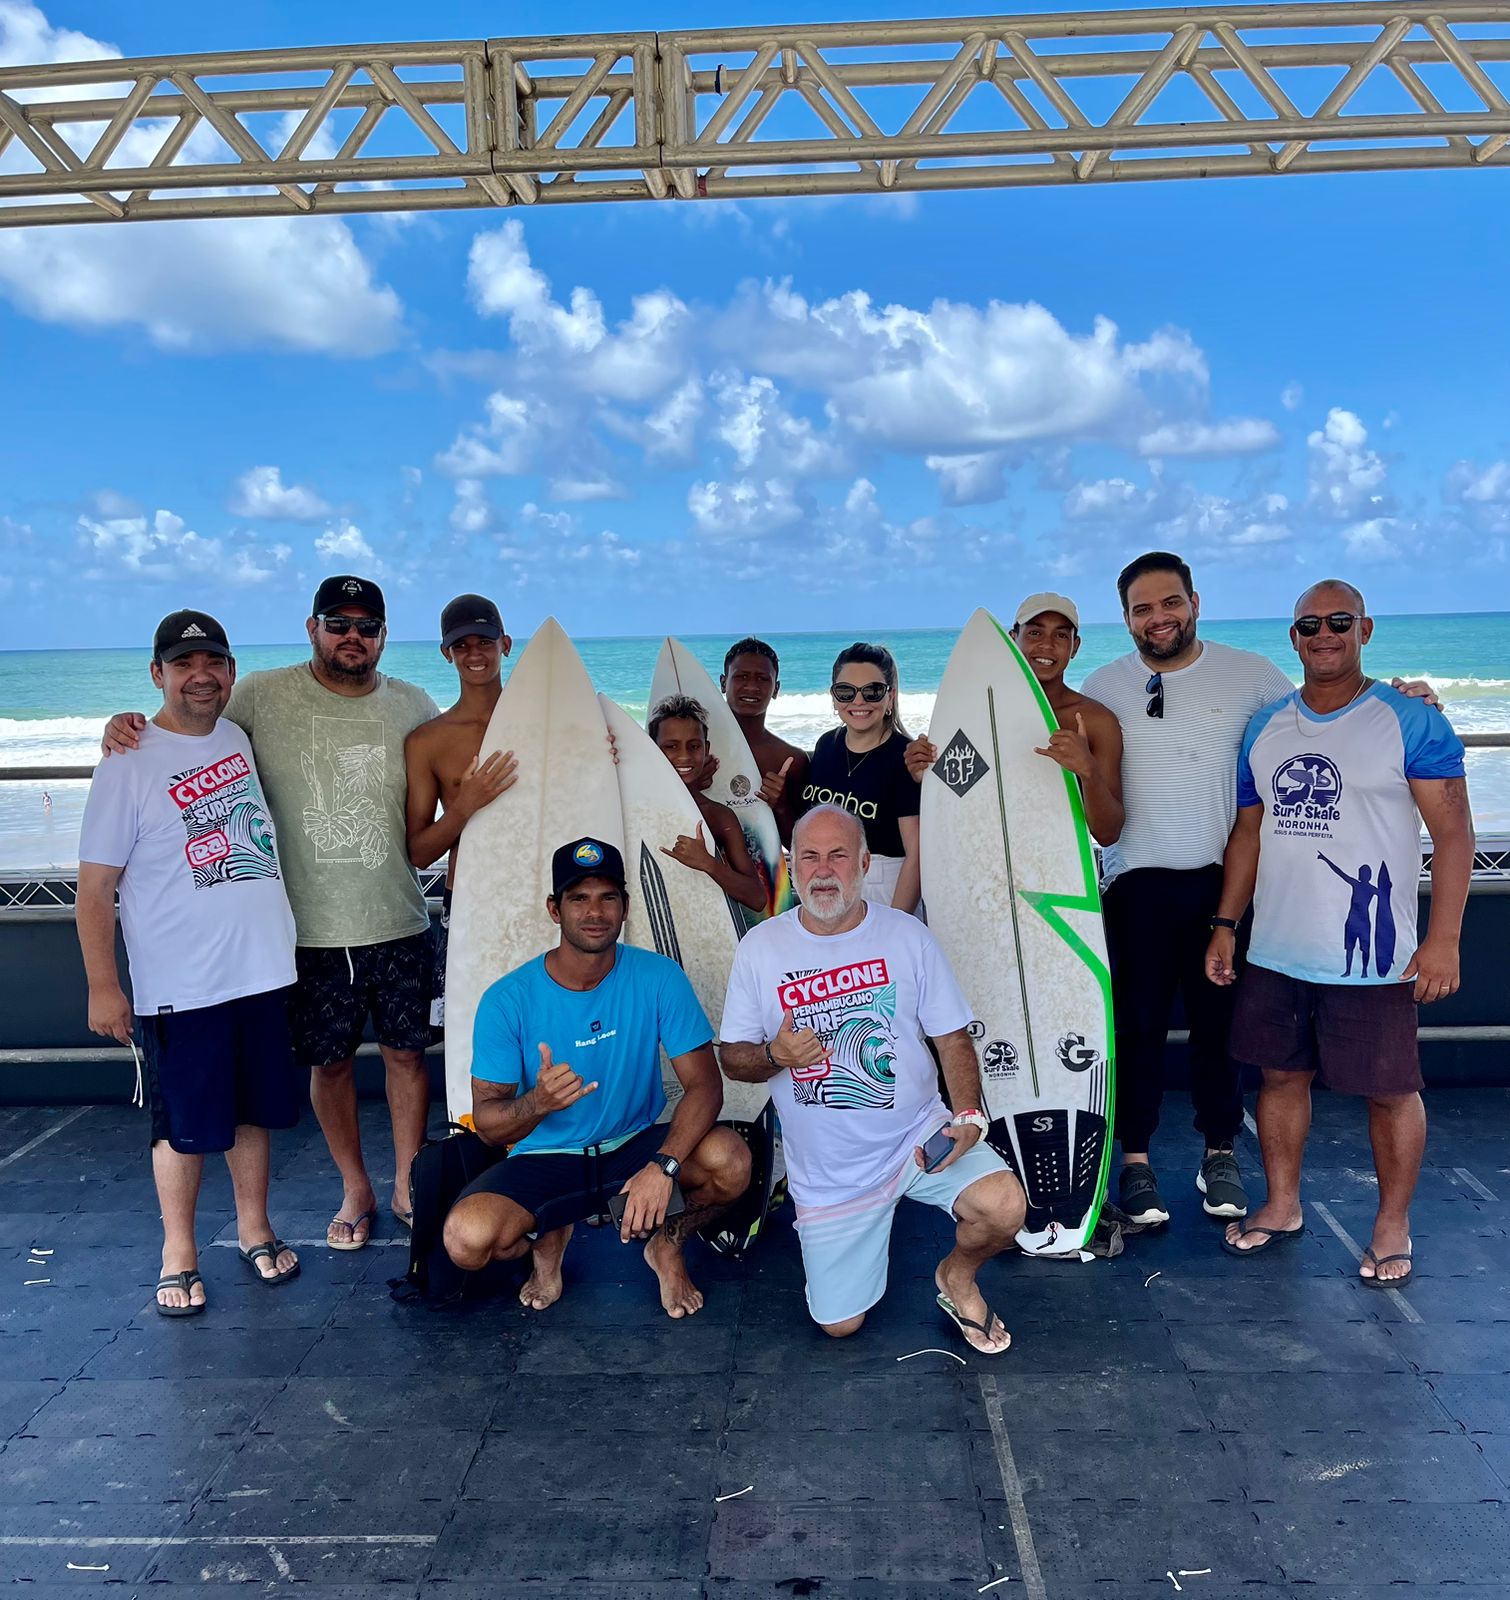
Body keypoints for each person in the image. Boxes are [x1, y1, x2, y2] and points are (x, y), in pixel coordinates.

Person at [1083, 552, 1437, 1231]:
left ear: (1194, 602)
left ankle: (1221, 1151)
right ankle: (1135, 1161)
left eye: (1170, 602)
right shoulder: (1104, 685)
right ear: (1126, 618)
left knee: (1224, 1036)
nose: (1159, 618)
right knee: (1135, 1032)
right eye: (1142, 608)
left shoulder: (1248, 673)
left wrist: (1405, 701)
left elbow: (1323, 708)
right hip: (1135, 887)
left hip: (1229, 887)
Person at [102, 576, 441, 1249]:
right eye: (336, 622)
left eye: (366, 626)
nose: (352, 636)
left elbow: (457, 766)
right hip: (305, 935)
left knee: (407, 1058)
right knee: (332, 1066)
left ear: (383, 635)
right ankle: (356, 1189)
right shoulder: (258, 692)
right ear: (312, 628)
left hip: (399, 918)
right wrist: (120, 726)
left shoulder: (414, 703)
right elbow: (188, 731)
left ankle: (408, 1182)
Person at [1206, 581, 1472, 1283]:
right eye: (1309, 624)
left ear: (1365, 629)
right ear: (1292, 637)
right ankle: (1282, 1204)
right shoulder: (1266, 726)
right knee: (1279, 1077)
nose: (1324, 633)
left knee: (1389, 1090)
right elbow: (1248, 834)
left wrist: (1443, 939)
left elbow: (1453, 835)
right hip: (1277, 951)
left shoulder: (1410, 721)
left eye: (1339, 621)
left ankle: (1392, 1224)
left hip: (1376, 956)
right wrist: (1226, 926)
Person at [718, 805, 1025, 1352]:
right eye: (809, 856)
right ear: (793, 864)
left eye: (839, 855)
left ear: (864, 862)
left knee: (1003, 1206)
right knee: (840, 1326)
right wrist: (775, 1053)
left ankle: (956, 1279)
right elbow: (733, 1058)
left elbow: (953, 1038)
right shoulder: (760, 949)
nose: (824, 869)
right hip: (832, 1174)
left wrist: (970, 1115)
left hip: (917, 1137)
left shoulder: (908, 937)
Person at [77, 611, 301, 1316]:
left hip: (262, 970)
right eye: (183, 664)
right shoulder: (126, 761)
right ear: (157, 675)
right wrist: (104, 986)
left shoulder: (235, 735)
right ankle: (179, 1253)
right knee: (181, 1122)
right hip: (182, 984)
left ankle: (254, 1227)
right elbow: (94, 888)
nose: (201, 676)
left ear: (231, 672)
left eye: (213, 662)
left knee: (252, 1112)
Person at [442, 837, 752, 1317]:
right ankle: (550, 1237)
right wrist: (538, 1103)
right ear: (554, 909)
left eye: (608, 897)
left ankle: (666, 1245)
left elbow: (706, 1086)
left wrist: (663, 1167)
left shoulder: (658, 977)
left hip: (633, 1146)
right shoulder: (507, 999)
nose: (595, 911)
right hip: (547, 1157)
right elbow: (488, 1124)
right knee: (466, 1240)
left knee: (731, 1161)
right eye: (578, 898)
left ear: (626, 908)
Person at [905, 592, 1125, 846]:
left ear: (1075, 646)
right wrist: (923, 770)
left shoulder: (1095, 721)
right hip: (988, 856)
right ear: (1012, 639)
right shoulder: (979, 710)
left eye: (1061, 635)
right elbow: (959, 795)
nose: (1047, 645)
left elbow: (1108, 834)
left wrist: (1088, 771)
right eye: (1035, 633)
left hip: (1057, 867)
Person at [405, 594, 520, 1029]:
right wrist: (465, 805)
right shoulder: (427, 741)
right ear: (445, 652)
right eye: (462, 645)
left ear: (505, 644)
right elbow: (418, 851)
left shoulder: (547, 725)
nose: (475, 654)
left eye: (485, 642)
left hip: (541, 892)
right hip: (470, 897)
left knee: (546, 1025)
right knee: (472, 1028)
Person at [800, 642, 921, 912]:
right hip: (826, 883)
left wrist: (898, 923)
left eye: (873, 691)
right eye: (846, 692)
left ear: (890, 696)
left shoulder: (906, 757)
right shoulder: (825, 745)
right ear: (833, 697)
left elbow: (916, 855)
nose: (858, 701)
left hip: (885, 888)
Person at [648, 694, 767, 913]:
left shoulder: (718, 816)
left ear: (706, 748)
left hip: (705, 929)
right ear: (653, 748)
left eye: (694, 746)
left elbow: (757, 898)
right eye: (671, 747)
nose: (684, 756)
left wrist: (708, 863)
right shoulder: (639, 806)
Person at [721, 637, 809, 846]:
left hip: (763, 875)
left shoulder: (790, 760)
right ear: (724, 683)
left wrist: (781, 806)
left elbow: (799, 846)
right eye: (741, 676)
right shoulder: (695, 749)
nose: (752, 686)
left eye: (762, 678)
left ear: (776, 689)